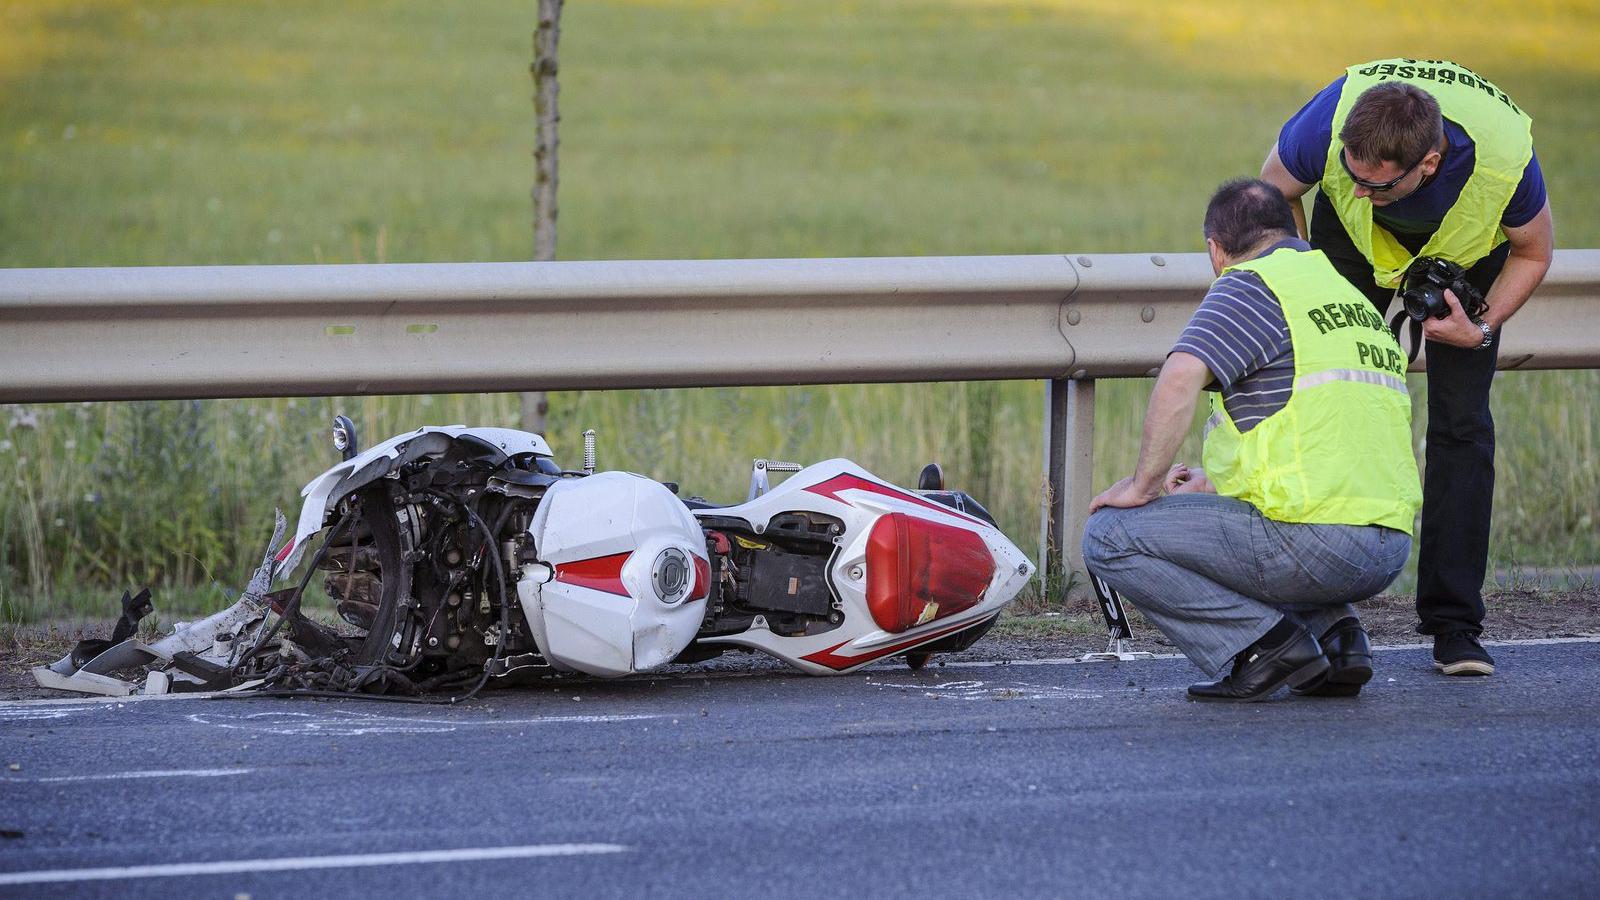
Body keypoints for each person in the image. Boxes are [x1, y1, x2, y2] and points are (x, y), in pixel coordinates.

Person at [1259, 58, 1555, 676]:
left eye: (1378, 183)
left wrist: (1480, 328)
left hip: (1468, 258)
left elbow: (1533, 251)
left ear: (1428, 164)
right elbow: (1276, 189)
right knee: (1324, 408)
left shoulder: (1505, 159)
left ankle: (1455, 626)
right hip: (1352, 244)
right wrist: (1309, 283)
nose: (1361, 187)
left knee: (1462, 425)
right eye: (1352, 174)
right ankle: (1323, 614)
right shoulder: (1331, 118)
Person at [1082, 178, 1421, 702]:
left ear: (1215, 251)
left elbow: (1179, 377)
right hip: (1388, 546)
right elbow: (1318, 437)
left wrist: (1143, 486)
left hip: (1317, 545)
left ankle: (1262, 648)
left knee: (1108, 536)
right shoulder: (1344, 294)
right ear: (1291, 230)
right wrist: (1216, 484)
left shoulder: (1249, 285)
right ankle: (1339, 638)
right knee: (1266, 529)